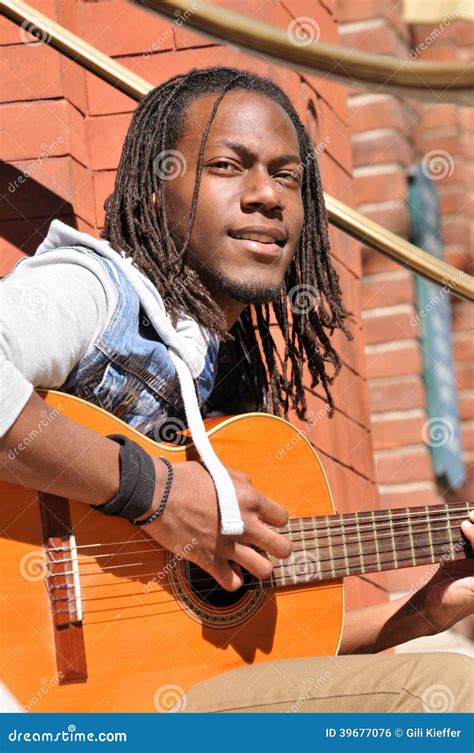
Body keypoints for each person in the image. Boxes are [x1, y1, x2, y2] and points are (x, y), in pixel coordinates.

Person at [1, 66, 472, 712]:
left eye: (288, 176)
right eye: (229, 165)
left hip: (134, 710)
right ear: (150, 193)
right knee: (449, 693)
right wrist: (155, 492)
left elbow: (251, 654)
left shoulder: (231, 397)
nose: (267, 194)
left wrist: (419, 615)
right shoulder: (97, 291)